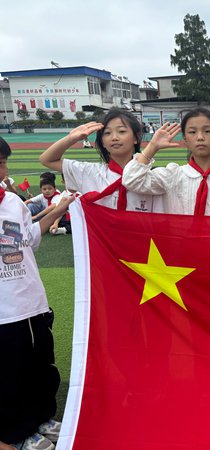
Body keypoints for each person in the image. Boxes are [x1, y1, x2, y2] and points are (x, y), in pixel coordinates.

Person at [0, 136, 75, 450]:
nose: (2, 169)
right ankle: (15, 434)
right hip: (4, 313)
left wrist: (58, 210)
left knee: (42, 367)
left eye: (2, 163)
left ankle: (42, 418)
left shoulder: (12, 202)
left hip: (32, 301)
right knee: (9, 375)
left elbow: (29, 238)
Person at [122, 107, 210, 216]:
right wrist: (152, 146)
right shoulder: (173, 175)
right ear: (185, 139)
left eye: (207, 131)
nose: (200, 137)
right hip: (179, 237)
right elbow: (131, 180)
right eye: (192, 132)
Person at [39, 107, 162, 212]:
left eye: (121, 131)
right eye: (107, 133)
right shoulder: (89, 172)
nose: (114, 137)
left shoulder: (152, 177)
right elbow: (47, 159)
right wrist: (71, 138)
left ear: (136, 138)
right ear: (102, 142)